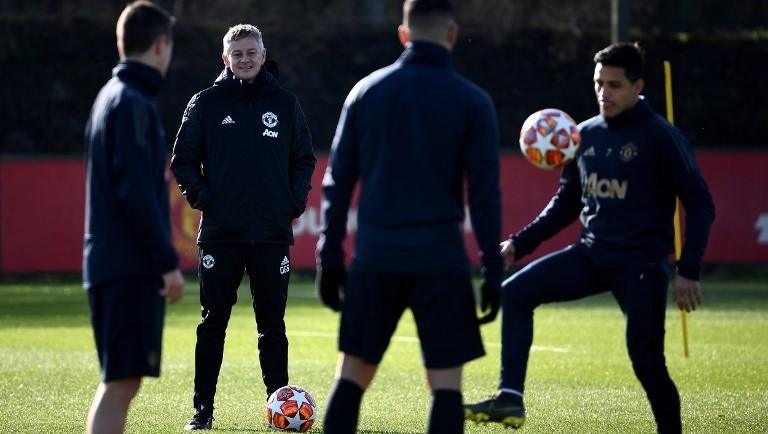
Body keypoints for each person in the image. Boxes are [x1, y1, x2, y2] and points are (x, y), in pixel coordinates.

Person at [464, 42, 716, 433]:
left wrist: (689, 269)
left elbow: (700, 204)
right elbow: (564, 207)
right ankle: (510, 398)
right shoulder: (582, 136)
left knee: (647, 363)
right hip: (591, 256)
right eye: (599, 83)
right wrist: (518, 244)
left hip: (641, 265)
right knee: (515, 293)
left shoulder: (661, 137)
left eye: (615, 84)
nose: (604, 92)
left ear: (638, 86)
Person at [316, 1, 504, 433]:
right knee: (446, 387)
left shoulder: (366, 92)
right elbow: (485, 197)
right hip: (441, 259)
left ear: (403, 34)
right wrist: (493, 270)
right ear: (453, 34)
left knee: (352, 377)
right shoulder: (473, 101)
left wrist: (330, 258)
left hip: (377, 257)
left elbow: (338, 181)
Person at [171, 23, 316, 431]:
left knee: (272, 326)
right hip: (221, 233)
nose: (246, 59)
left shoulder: (286, 104)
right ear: (225, 59)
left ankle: (282, 410)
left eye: (252, 52)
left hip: (271, 235)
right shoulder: (206, 103)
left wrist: (293, 201)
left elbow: (304, 159)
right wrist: (204, 200)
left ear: (264, 55)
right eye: (237, 54)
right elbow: (182, 159)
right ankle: (203, 410)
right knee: (212, 322)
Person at [83, 2, 184, 433]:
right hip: (126, 265)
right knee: (120, 382)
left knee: (122, 380)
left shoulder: (112, 96)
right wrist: (166, 262)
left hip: (113, 261)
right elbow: (137, 194)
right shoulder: (132, 102)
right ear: (161, 45)